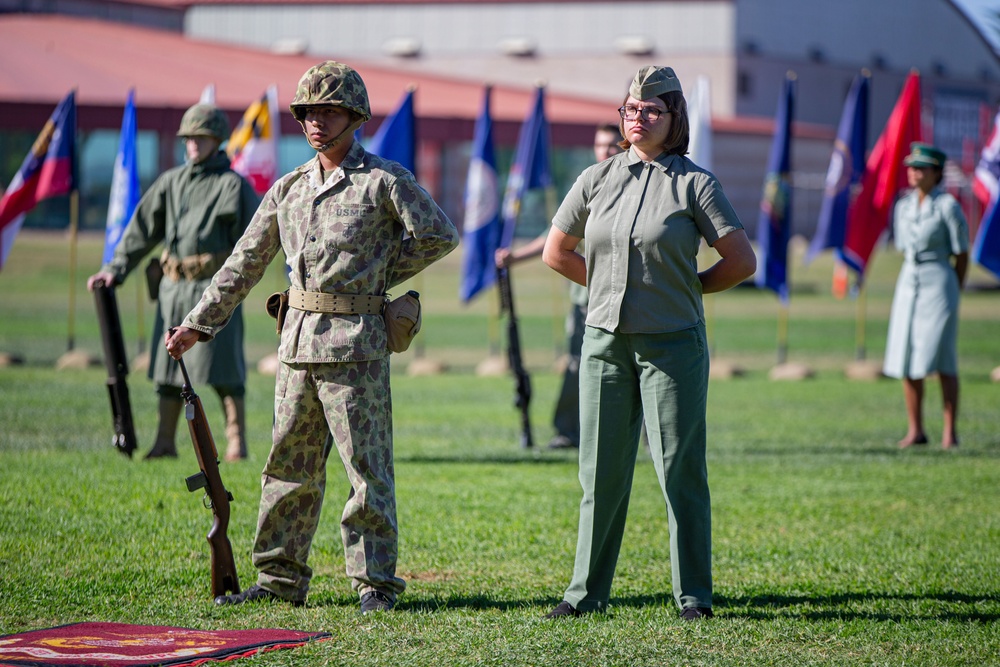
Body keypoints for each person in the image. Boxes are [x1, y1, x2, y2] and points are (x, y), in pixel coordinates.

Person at [165, 61, 459, 614]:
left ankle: (374, 584)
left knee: (366, 472)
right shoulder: (290, 189)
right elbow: (244, 262)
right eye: (307, 113)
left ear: (355, 116)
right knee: (286, 468)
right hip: (297, 349)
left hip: (357, 350)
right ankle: (278, 579)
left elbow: (439, 234)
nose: (315, 122)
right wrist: (198, 324)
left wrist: (377, 276)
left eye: (327, 111)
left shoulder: (383, 181)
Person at [540, 66, 756, 620]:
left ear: (674, 118)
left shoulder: (696, 183)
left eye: (651, 111)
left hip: (672, 345)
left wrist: (684, 290)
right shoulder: (596, 178)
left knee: (679, 469)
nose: (638, 119)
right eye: (631, 110)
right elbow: (556, 251)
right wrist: (616, 288)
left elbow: (741, 261)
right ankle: (584, 596)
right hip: (603, 343)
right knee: (599, 473)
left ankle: (693, 598)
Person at [88, 104, 259, 462]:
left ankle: (236, 444)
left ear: (216, 139)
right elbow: (141, 231)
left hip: (214, 291)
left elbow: (254, 244)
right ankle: (165, 442)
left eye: (200, 137)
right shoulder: (171, 182)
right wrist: (115, 269)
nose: (192, 145)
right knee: (167, 369)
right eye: (188, 138)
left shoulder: (233, 186)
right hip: (171, 289)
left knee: (223, 368)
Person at [495, 123, 623, 450]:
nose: (604, 151)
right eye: (599, 145)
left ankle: (649, 437)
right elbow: (555, 236)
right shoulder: (589, 185)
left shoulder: (638, 187)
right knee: (577, 364)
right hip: (587, 297)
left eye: (611, 145)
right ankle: (568, 431)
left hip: (630, 295)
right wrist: (516, 257)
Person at [883, 143, 969, 450]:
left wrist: (954, 289)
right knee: (907, 354)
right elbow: (903, 247)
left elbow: (961, 253)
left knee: (941, 355)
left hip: (939, 281)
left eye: (921, 168)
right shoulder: (903, 206)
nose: (914, 172)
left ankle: (950, 432)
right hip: (909, 280)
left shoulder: (948, 206)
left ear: (936, 173)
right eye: (912, 167)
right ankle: (915, 429)